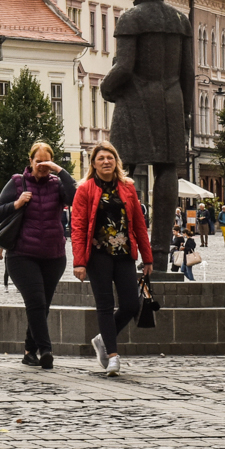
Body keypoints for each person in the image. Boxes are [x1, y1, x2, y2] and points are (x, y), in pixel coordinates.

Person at [71, 139, 153, 376]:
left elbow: (138, 222)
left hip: (125, 253)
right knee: (105, 305)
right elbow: (77, 227)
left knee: (130, 304)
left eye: (110, 158)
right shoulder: (85, 190)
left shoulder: (127, 187)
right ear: (94, 164)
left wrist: (147, 257)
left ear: (116, 161)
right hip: (98, 255)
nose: (106, 162)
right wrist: (79, 262)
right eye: (101, 159)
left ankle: (102, 339)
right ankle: (113, 356)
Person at [0, 141, 75, 371]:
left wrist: (61, 171)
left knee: (43, 305)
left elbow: (74, 198)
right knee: (36, 302)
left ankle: (29, 351)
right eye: (38, 161)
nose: (42, 166)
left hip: (53, 255)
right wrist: (17, 204)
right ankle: (45, 350)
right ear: (30, 161)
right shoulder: (17, 182)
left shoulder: (57, 184)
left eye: (47, 162)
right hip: (22, 255)